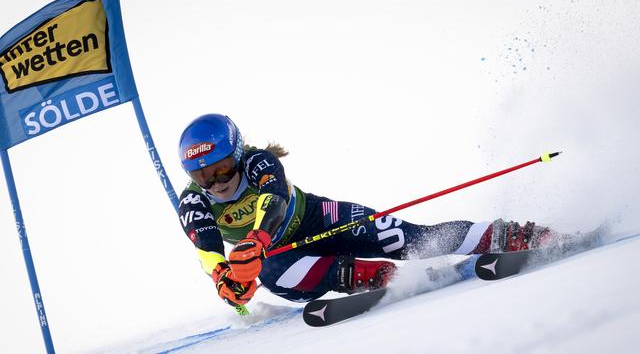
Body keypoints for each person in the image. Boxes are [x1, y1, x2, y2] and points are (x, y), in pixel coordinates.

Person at [177, 114, 552, 307]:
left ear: (238, 153)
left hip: (319, 218)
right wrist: (224, 277)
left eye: (222, 168)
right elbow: (207, 247)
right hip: (285, 261)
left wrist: (256, 240)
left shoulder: (259, 162)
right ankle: (384, 278)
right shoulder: (195, 200)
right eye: (202, 175)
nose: (215, 182)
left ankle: (517, 236)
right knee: (274, 271)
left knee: (412, 238)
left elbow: (272, 200)